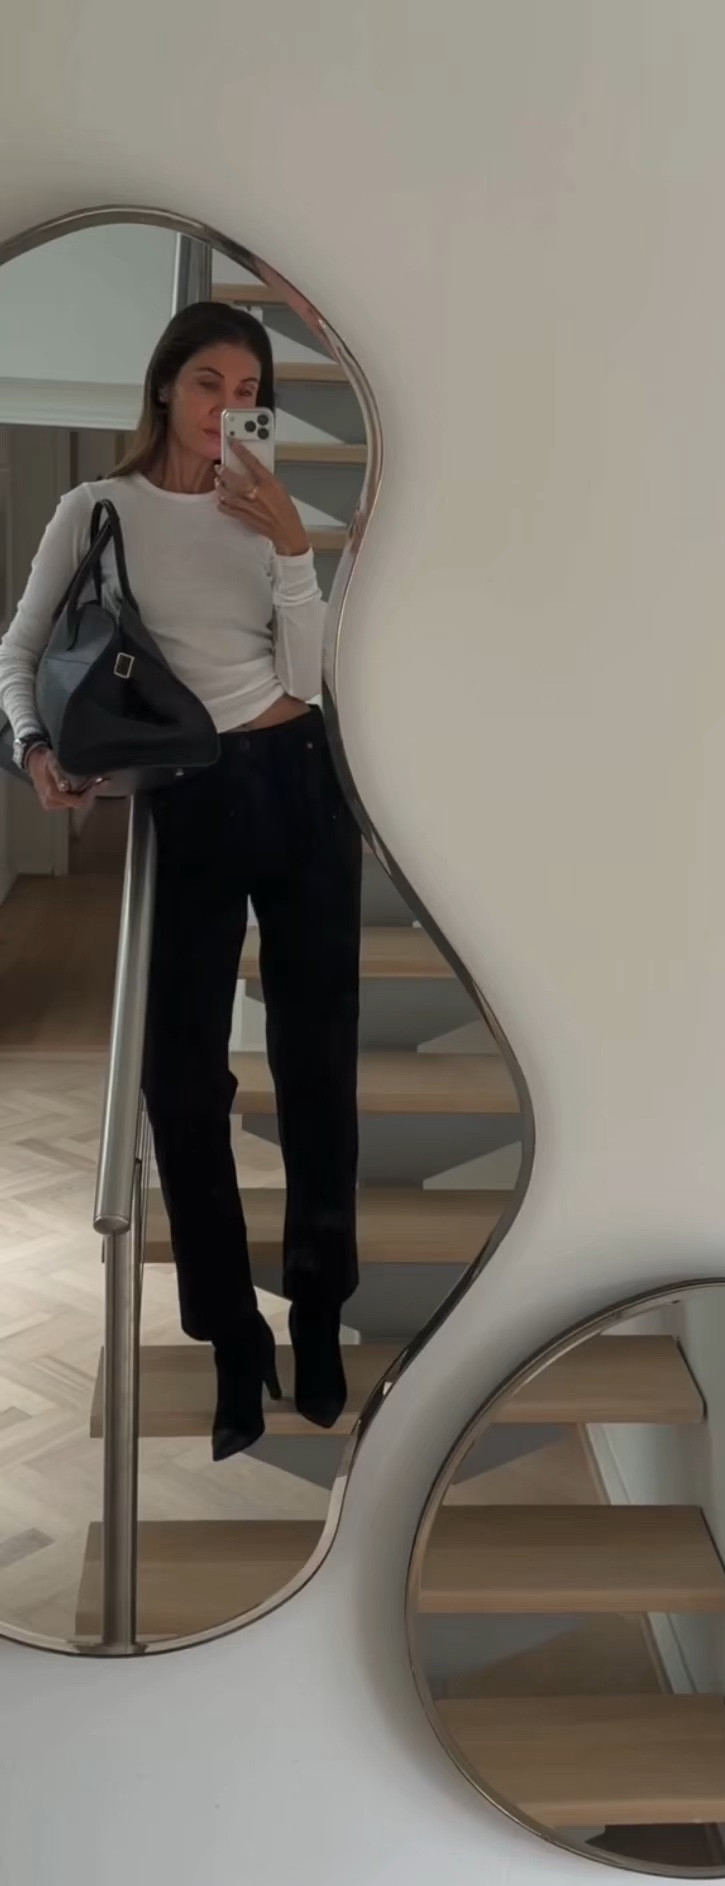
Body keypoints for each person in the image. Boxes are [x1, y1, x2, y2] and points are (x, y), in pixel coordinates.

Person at [0, 302, 362, 1459]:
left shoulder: (267, 512)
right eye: (209, 382)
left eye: (248, 391)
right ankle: (231, 1337)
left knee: (317, 1065)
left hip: (302, 785)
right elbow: (19, 650)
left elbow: (306, 675)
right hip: (191, 798)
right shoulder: (95, 508)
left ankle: (316, 1312)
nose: (226, 408)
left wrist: (293, 551)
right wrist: (32, 746)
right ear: (165, 387)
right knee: (179, 1079)